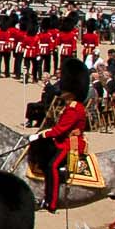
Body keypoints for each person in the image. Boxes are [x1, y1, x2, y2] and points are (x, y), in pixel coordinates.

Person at [29, 56, 91, 210]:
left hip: (71, 144)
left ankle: (52, 202)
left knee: (52, 166)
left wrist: (40, 135)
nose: (61, 90)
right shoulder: (70, 106)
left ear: (71, 91)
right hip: (63, 141)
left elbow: (60, 130)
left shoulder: (74, 108)